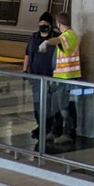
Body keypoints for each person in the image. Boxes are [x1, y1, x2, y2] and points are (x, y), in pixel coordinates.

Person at [41, 12, 82, 146]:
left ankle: (67, 133)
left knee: (65, 107)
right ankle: (55, 131)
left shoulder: (69, 35)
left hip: (67, 78)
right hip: (60, 77)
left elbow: (58, 40)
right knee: (58, 106)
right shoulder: (67, 36)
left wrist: (46, 42)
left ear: (58, 24)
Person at [23, 12, 57, 140]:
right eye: (41, 22)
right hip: (36, 76)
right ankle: (40, 124)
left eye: (45, 23)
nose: (42, 25)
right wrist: (25, 70)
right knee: (37, 102)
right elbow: (27, 54)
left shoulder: (56, 38)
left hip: (51, 77)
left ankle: (48, 126)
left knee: (49, 103)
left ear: (50, 25)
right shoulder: (34, 38)